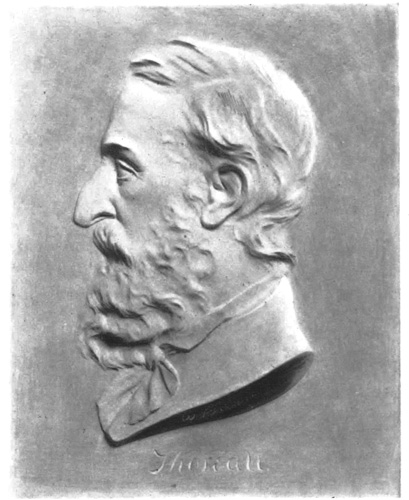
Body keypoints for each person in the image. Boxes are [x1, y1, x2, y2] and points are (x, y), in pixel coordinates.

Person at [73, 37, 318, 445]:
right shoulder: (155, 344)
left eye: (125, 170)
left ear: (224, 192)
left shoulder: (266, 358)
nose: (85, 210)